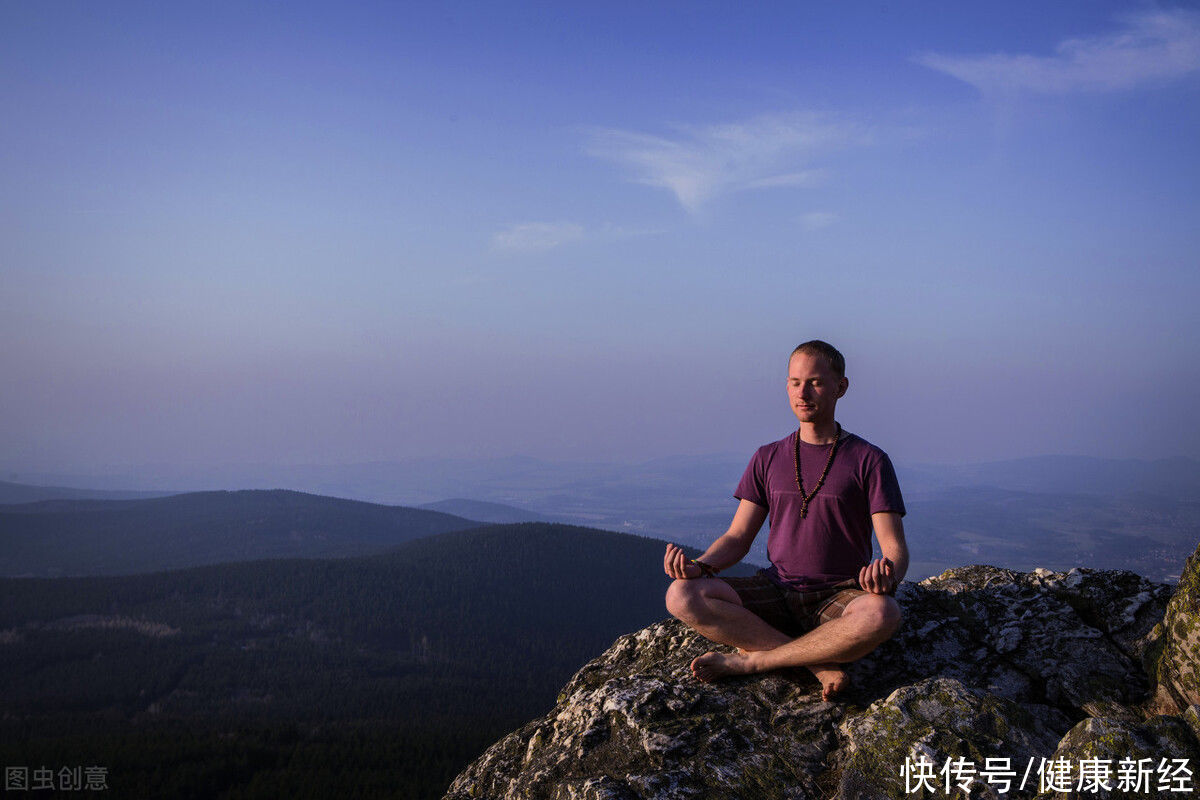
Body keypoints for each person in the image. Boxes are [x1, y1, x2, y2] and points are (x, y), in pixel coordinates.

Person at [663, 340, 908, 699]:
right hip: (777, 590)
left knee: (882, 614)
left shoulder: (869, 460)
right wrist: (701, 567)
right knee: (681, 596)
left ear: (841, 387)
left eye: (815, 382)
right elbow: (737, 537)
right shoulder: (768, 457)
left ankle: (756, 661)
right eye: (794, 382)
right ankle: (816, 662)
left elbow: (895, 549)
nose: (803, 392)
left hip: (838, 596)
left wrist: (887, 575)